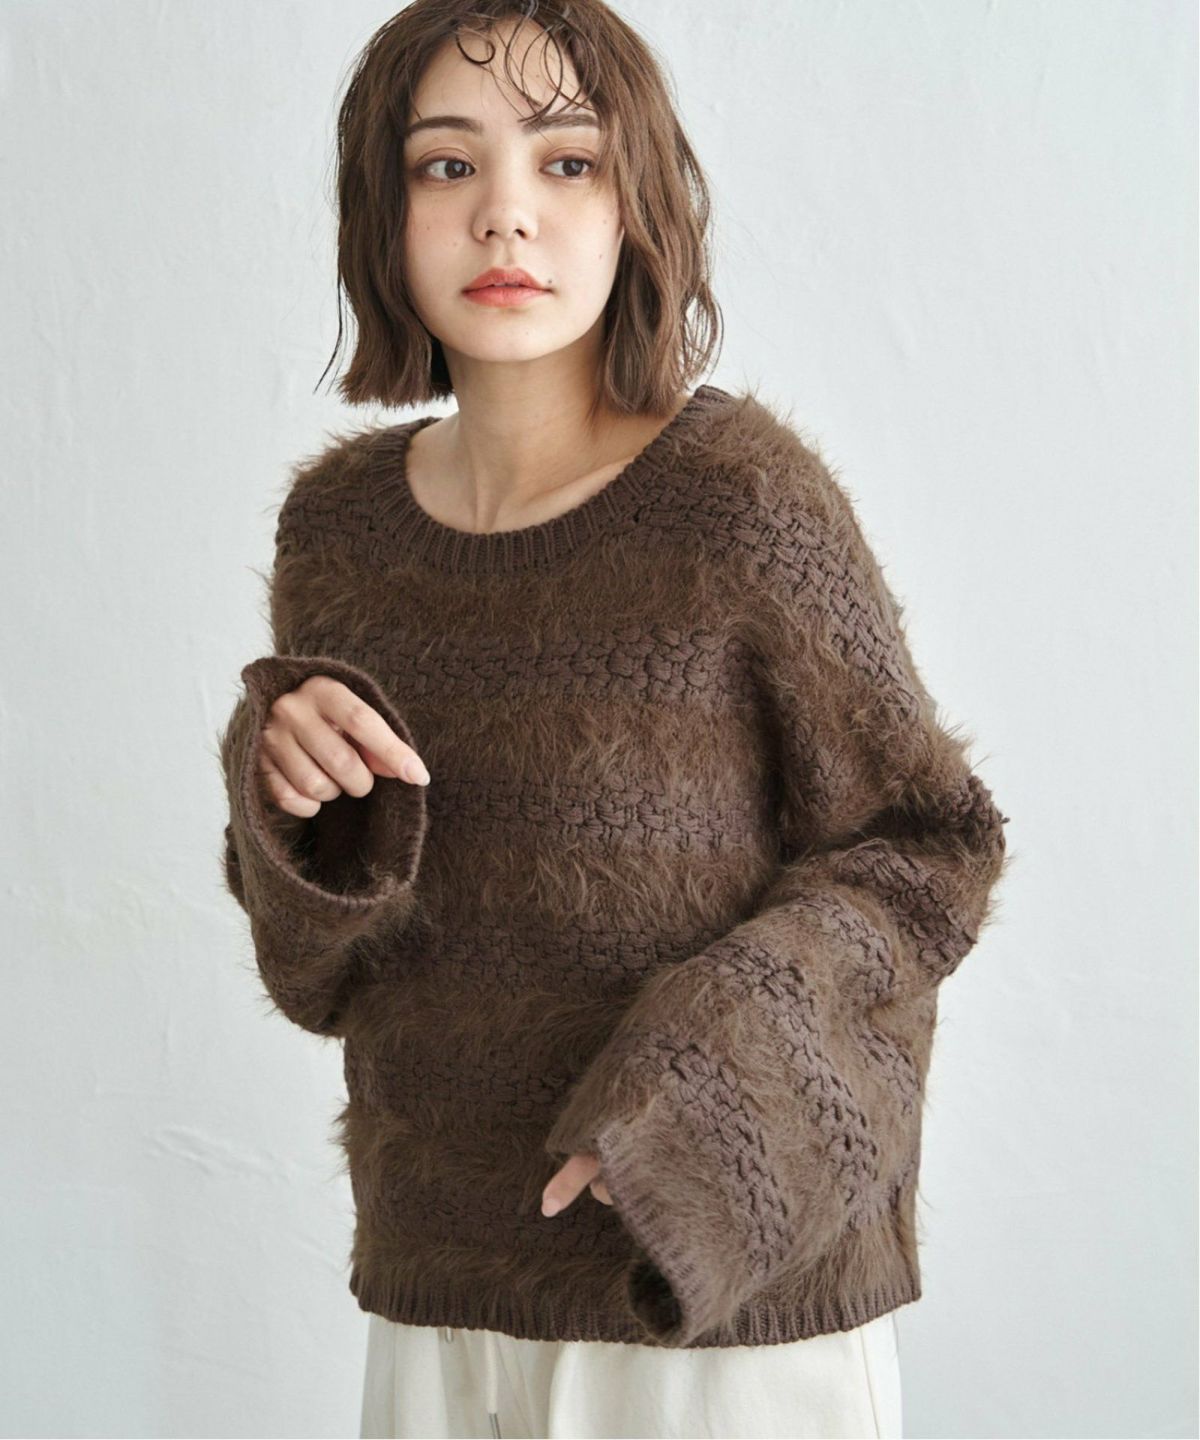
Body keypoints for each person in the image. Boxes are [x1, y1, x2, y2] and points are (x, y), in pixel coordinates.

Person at [216, 3, 1011, 1437]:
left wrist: (702, 1086)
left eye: (566, 161)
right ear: (382, 212)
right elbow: (318, 980)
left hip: (718, 1314)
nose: (505, 214)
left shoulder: (740, 501)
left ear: (635, 203)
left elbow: (928, 851)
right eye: (447, 165)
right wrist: (287, 808)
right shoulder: (337, 533)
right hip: (442, 1297)